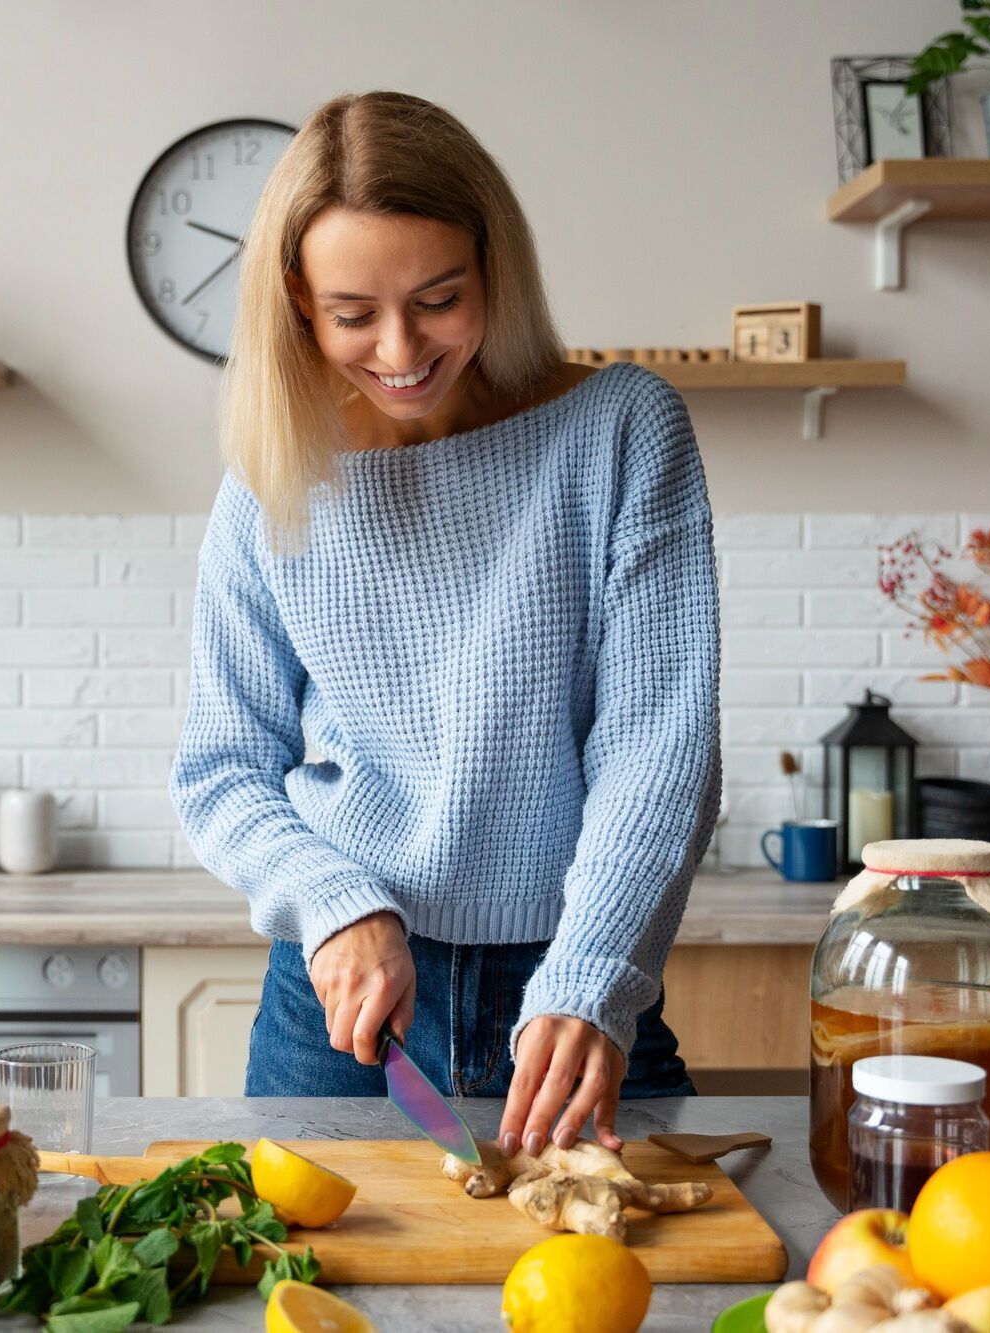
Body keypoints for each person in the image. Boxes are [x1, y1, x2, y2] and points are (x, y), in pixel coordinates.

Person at [170, 90, 719, 1157]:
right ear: (296, 301)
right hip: (340, 1007)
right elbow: (220, 771)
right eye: (351, 314)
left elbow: (657, 748)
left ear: (492, 270)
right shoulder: (271, 478)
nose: (397, 349)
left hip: (573, 986)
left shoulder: (617, 432)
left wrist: (594, 970)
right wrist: (330, 898)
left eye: (436, 299)